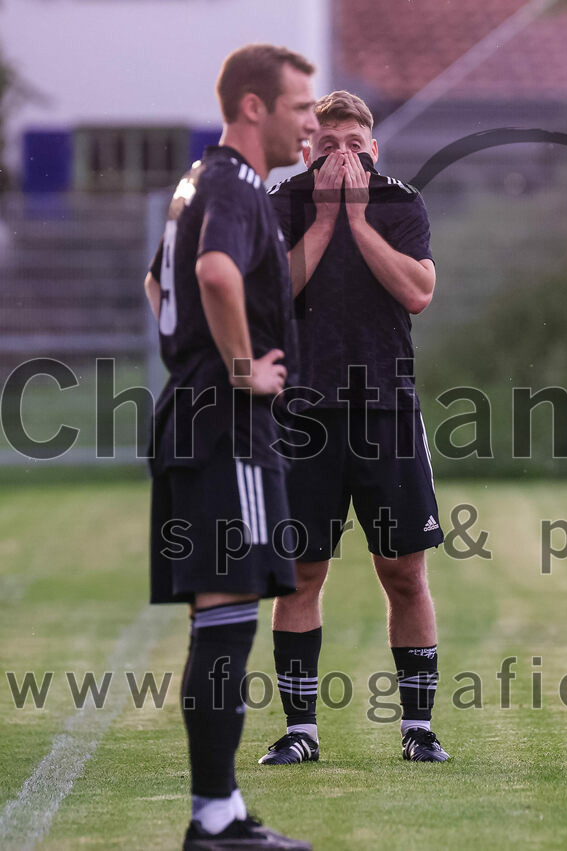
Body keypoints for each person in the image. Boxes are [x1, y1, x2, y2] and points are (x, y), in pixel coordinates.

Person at [145, 44, 318, 848]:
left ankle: (221, 807)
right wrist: (243, 366)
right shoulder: (236, 184)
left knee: (223, 618)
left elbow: (158, 284)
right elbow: (214, 274)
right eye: (302, 108)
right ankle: (213, 819)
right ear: (255, 107)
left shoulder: (195, 182)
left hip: (193, 414)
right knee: (230, 617)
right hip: (227, 427)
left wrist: (190, 355)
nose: (312, 124)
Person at [260, 90, 448, 765]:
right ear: (309, 146)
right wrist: (326, 220)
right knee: (303, 572)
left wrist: (360, 222)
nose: (341, 155)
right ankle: (301, 731)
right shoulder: (282, 203)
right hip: (303, 413)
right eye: (328, 143)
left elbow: (418, 292)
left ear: (374, 148)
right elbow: (273, 295)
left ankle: (419, 728)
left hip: (385, 409)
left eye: (353, 144)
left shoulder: (400, 204)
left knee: (402, 570)